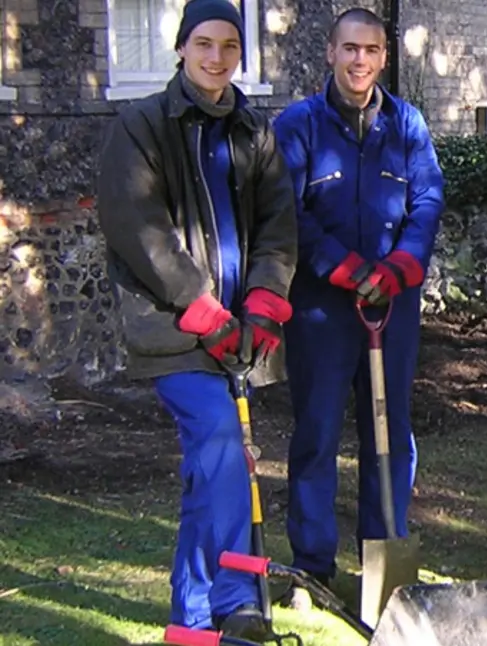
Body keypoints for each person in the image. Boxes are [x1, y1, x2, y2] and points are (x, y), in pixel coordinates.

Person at [94, 0, 298, 638]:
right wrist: (201, 309)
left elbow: (277, 227)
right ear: (181, 48)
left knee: (210, 473)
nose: (217, 58)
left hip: (240, 331)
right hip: (175, 326)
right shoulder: (141, 127)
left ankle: (191, 620)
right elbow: (140, 228)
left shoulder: (252, 131)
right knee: (221, 448)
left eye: (229, 47)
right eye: (204, 44)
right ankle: (238, 601)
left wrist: (263, 304)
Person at [272, 7, 445, 599]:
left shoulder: (408, 124)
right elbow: (286, 212)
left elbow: (427, 200)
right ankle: (312, 568)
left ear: (383, 58)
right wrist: (341, 267)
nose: (359, 61)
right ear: (330, 53)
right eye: (349, 49)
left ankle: (383, 560)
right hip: (322, 310)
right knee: (317, 432)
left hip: (391, 307)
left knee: (389, 432)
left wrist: (401, 267)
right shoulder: (299, 126)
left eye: (370, 51)